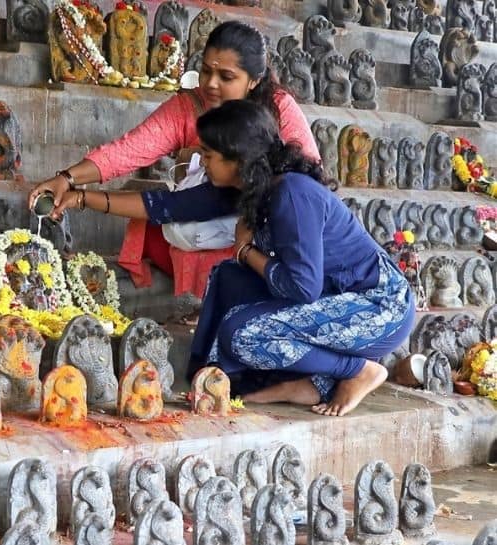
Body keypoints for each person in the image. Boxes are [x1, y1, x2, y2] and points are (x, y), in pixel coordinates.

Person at [57, 100, 416, 416]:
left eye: (210, 157)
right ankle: (224, 379)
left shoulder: (291, 193)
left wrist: (246, 251)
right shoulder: (249, 185)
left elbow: (302, 287)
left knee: (243, 334)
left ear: (239, 160)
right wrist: (78, 196)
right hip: (331, 295)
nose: (204, 163)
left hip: (377, 307)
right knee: (228, 277)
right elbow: (168, 206)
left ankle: (354, 370)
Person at [29, 21, 320, 295]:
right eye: (206, 72)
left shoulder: (279, 107)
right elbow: (129, 150)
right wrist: (67, 179)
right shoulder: (188, 106)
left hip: (267, 227)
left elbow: (305, 182)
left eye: (226, 77)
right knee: (155, 224)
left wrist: (250, 227)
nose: (211, 84)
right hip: (199, 209)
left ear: (254, 81)